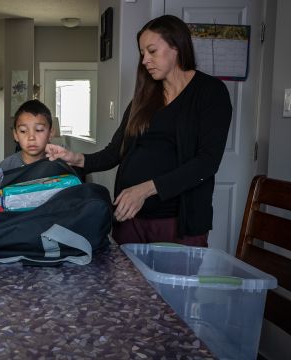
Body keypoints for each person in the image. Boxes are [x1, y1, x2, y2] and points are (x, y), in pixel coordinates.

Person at [45, 15, 232, 247]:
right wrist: (74, 158)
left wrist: (145, 190)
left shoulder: (210, 92)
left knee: (170, 284)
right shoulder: (143, 99)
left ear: (176, 46)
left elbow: (206, 162)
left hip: (176, 222)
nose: (145, 60)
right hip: (130, 218)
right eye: (142, 53)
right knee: (127, 284)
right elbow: (114, 152)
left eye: (152, 51)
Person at [0, 99, 54, 171]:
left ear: (50, 133)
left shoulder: (58, 164)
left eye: (39, 130)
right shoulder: (5, 167)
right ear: (16, 135)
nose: (31, 137)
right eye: (23, 131)